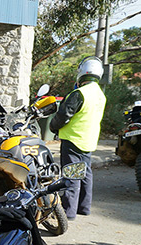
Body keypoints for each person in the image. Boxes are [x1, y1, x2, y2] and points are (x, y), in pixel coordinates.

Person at [49, 56, 106, 220]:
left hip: (73, 139)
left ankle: (68, 211)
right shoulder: (100, 95)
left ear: (82, 73)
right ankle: (84, 207)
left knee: (72, 173)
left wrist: (53, 126)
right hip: (88, 140)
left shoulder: (79, 93)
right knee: (86, 173)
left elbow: (63, 116)